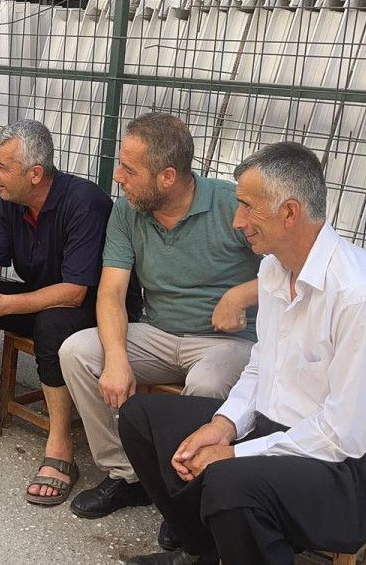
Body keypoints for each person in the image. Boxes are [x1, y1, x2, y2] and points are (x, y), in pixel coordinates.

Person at [118, 141, 366, 565]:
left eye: (248, 206)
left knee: (229, 481)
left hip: (355, 469)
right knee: (142, 419)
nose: (237, 220)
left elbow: (346, 433)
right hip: (281, 429)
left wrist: (234, 453)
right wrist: (225, 425)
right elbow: (261, 366)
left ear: (289, 212)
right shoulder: (273, 268)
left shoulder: (363, 297)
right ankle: (206, 553)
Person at [58, 113, 260, 538]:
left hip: (227, 341)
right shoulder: (127, 211)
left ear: (167, 176)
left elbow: (296, 267)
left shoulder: (232, 204)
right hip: (159, 332)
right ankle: (127, 476)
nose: (118, 178)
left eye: (129, 170)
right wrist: (117, 358)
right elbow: (111, 292)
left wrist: (240, 295)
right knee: (77, 352)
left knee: (207, 383)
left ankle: (186, 496)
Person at [0, 120, 137, 506]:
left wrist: (3, 304)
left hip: (94, 309)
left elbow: (75, 293)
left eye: (1, 166)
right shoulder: (10, 201)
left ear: (36, 173)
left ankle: (60, 445)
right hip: (43, 298)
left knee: (52, 322)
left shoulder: (84, 202)